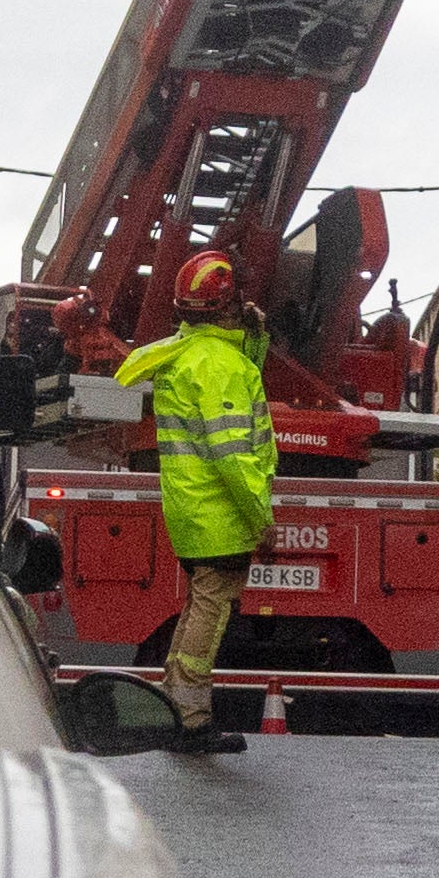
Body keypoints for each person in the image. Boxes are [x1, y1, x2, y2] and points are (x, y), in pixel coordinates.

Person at [121, 251, 278, 751]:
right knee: (209, 614)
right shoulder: (218, 366)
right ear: (228, 304)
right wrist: (262, 519)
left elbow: (236, 371)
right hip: (220, 512)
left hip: (191, 508)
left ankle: (175, 706)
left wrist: (253, 336)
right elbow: (233, 455)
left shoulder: (187, 355)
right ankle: (190, 720)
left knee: (196, 608)